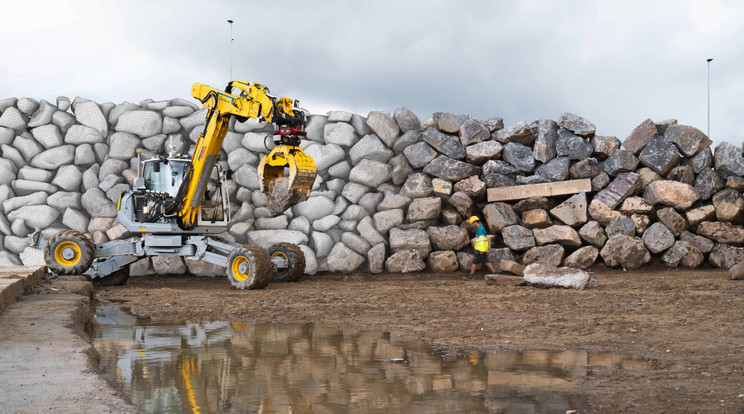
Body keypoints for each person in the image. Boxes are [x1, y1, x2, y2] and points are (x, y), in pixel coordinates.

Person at [465, 216, 496, 280]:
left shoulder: (480, 229)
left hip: (480, 249)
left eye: (472, 223)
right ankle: (495, 272)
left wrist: (481, 250)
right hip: (481, 249)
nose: (472, 225)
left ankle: (471, 275)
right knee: (486, 261)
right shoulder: (480, 229)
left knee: (474, 262)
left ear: (475, 222)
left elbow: (482, 241)